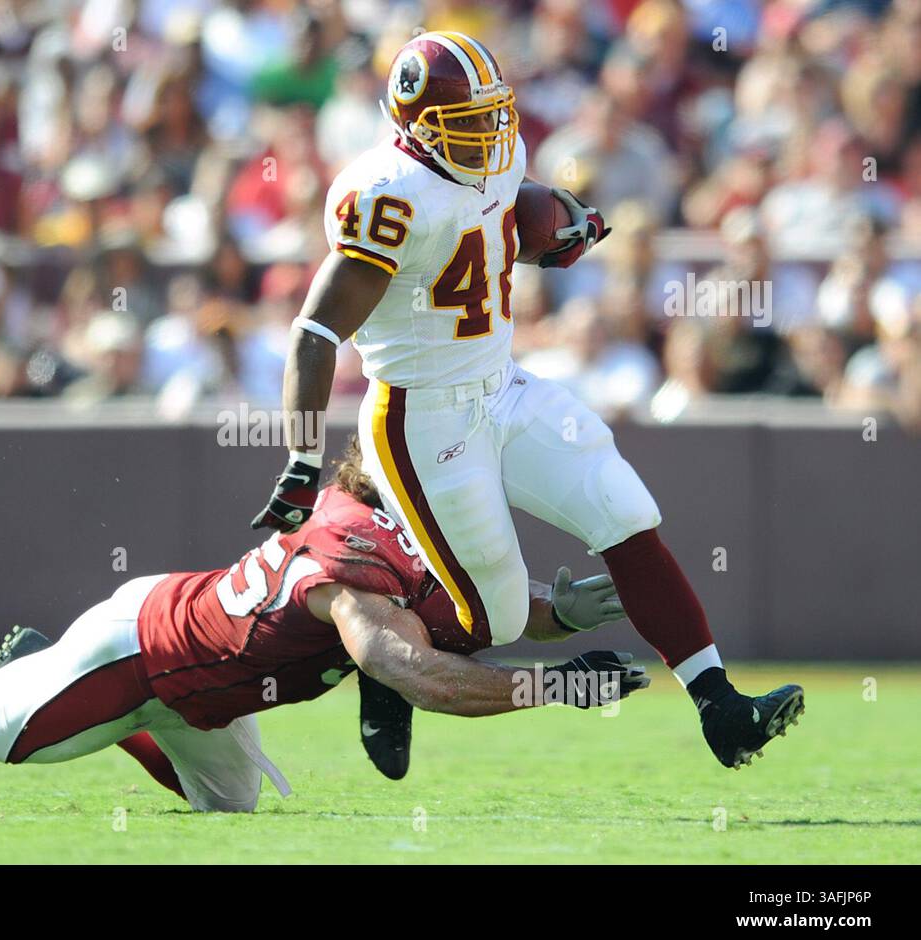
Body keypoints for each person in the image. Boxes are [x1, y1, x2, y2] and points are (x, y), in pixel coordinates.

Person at [250, 31, 803, 772]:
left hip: (503, 385)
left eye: (492, 114)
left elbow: (506, 215)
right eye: (466, 121)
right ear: (416, 125)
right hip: (423, 417)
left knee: (624, 509)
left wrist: (558, 230)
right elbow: (315, 332)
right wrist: (299, 459)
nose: (487, 133)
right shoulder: (386, 194)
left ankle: (721, 708)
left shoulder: (495, 154)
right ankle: (390, 666)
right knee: (499, 615)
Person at [0, 439, 643, 810]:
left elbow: (443, 612)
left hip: (206, 680)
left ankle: (63, 684)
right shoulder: (354, 560)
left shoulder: (378, 524)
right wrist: (557, 684)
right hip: (141, 654)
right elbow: (414, 667)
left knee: (229, 814)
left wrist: (553, 614)